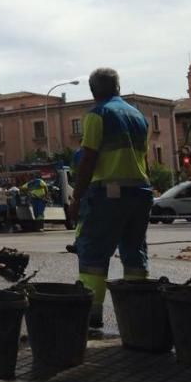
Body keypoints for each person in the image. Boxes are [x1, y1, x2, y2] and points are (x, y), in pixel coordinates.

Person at [68, 68, 153, 330]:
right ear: (118, 87)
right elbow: (142, 160)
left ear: (93, 91)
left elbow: (89, 158)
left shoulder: (97, 115)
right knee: (134, 253)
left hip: (108, 194)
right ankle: (136, 311)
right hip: (140, 193)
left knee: (93, 251)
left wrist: (76, 198)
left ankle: (91, 314)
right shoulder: (138, 116)